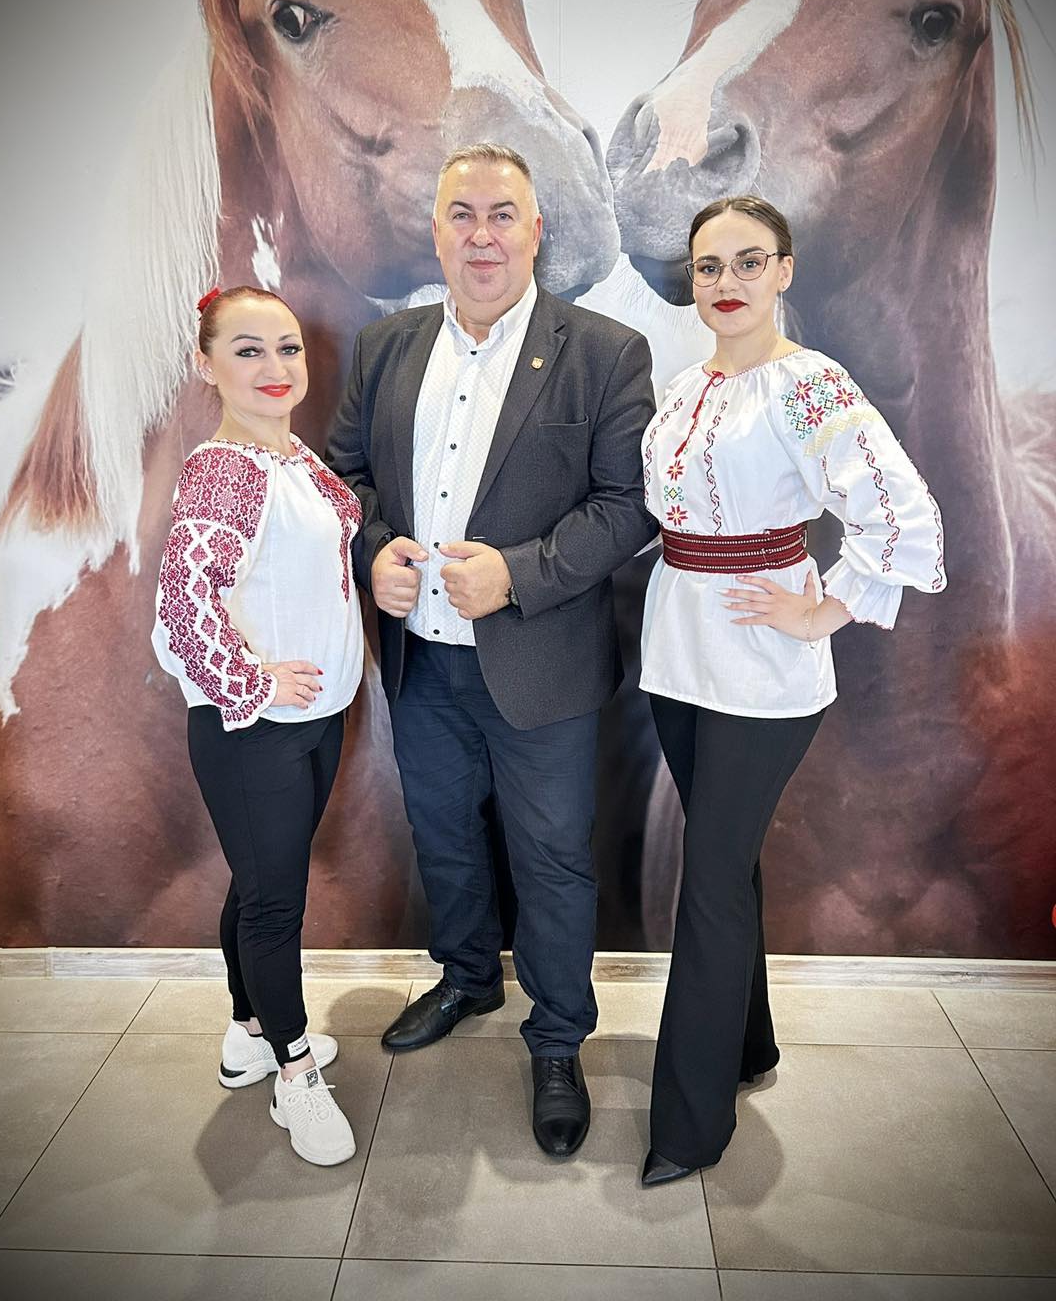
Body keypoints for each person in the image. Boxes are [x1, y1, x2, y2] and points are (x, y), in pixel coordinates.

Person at [327, 143, 657, 1158]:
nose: (482, 235)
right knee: (444, 837)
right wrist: (373, 550)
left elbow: (629, 505)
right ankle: (467, 978)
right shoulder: (384, 346)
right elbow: (343, 479)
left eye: (502, 215)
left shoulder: (605, 351)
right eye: (462, 215)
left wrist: (518, 573)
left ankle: (557, 1039)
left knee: (552, 860)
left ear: (535, 230)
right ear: (435, 232)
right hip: (421, 662)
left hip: (542, 667)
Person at [639, 196, 946, 1186]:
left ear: (784, 270)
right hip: (676, 655)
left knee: (709, 879)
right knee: (724, 861)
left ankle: (689, 1128)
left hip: (762, 668)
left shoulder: (808, 384)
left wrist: (828, 610)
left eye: (748, 261)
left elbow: (902, 512)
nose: (725, 282)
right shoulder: (683, 387)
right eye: (708, 266)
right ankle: (748, 1046)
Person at [152, 284, 364, 1168]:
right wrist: (252, 681)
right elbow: (183, 607)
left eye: (287, 348)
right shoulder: (225, 469)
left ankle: (247, 1033)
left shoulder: (291, 456)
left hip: (313, 716)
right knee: (276, 903)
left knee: (258, 883)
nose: (275, 367)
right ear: (206, 365)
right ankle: (294, 1072)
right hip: (255, 729)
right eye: (247, 350)